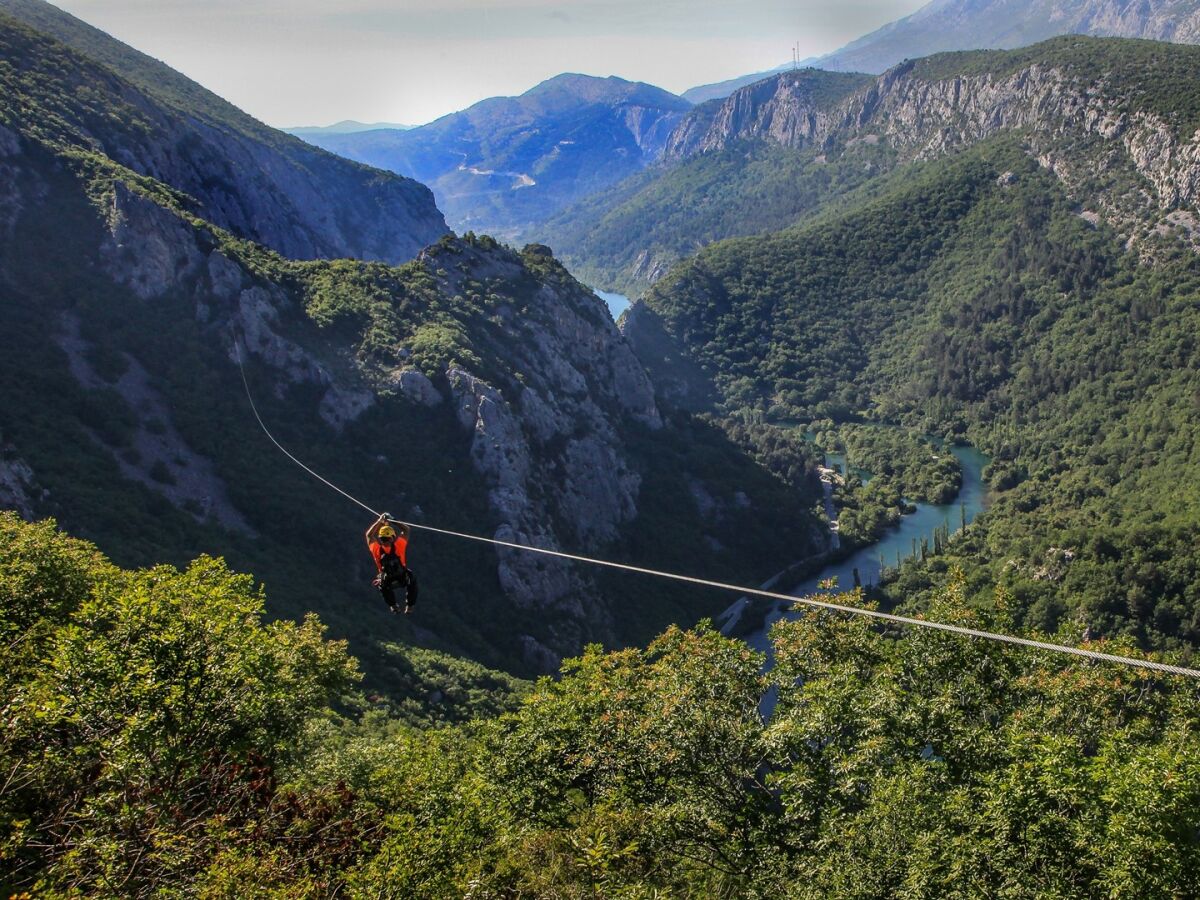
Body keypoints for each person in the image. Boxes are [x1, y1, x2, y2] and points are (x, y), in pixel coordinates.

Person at [365, 513, 418, 614]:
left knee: (382, 585)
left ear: (380, 538)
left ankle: (393, 606)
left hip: (387, 580)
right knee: (412, 580)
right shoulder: (399, 545)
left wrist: (379, 522)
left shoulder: (376, 549)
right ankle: (410, 606)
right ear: (392, 537)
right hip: (402, 577)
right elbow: (406, 529)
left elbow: (369, 535)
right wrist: (392, 520)